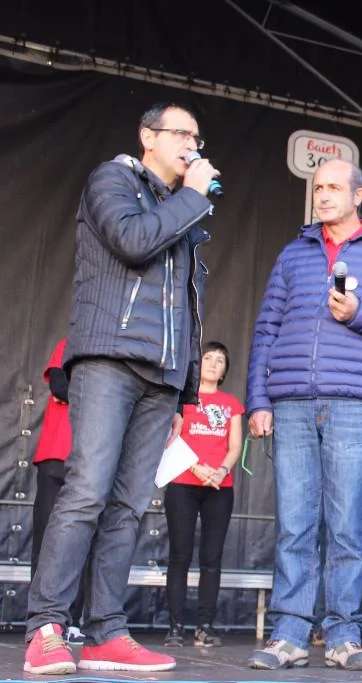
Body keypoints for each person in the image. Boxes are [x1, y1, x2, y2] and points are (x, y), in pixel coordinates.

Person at [23, 102, 219, 675]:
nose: (192, 146)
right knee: (86, 491)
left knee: (130, 505)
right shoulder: (113, 179)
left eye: (197, 138)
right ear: (147, 136)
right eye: (182, 134)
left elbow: (187, 307)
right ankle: (47, 627)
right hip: (109, 357)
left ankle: (106, 631)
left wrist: (185, 393)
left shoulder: (182, 212)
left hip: (162, 377)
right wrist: (193, 196)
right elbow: (132, 241)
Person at [245, 159, 362, 672]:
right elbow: (266, 329)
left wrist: (359, 313)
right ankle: (288, 634)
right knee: (294, 524)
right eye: (317, 187)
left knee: (346, 525)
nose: (322, 195)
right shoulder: (293, 254)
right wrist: (258, 399)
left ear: (358, 194)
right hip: (291, 402)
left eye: (333, 187)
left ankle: (343, 634)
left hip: (354, 402)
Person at [163, 342, 244, 648]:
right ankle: (175, 627)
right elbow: (171, 440)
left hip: (219, 488)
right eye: (207, 358)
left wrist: (221, 471)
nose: (212, 364)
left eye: (219, 360)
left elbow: (235, 446)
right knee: (179, 556)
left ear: (225, 371)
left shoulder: (231, 404)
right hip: (183, 483)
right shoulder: (180, 401)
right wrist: (196, 468)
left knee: (211, 558)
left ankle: (205, 626)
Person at [30, 338, 86, 646]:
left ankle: (72, 620)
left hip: (89, 460)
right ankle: (40, 620)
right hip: (55, 454)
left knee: (84, 541)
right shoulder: (68, 344)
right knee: (46, 538)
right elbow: (59, 387)